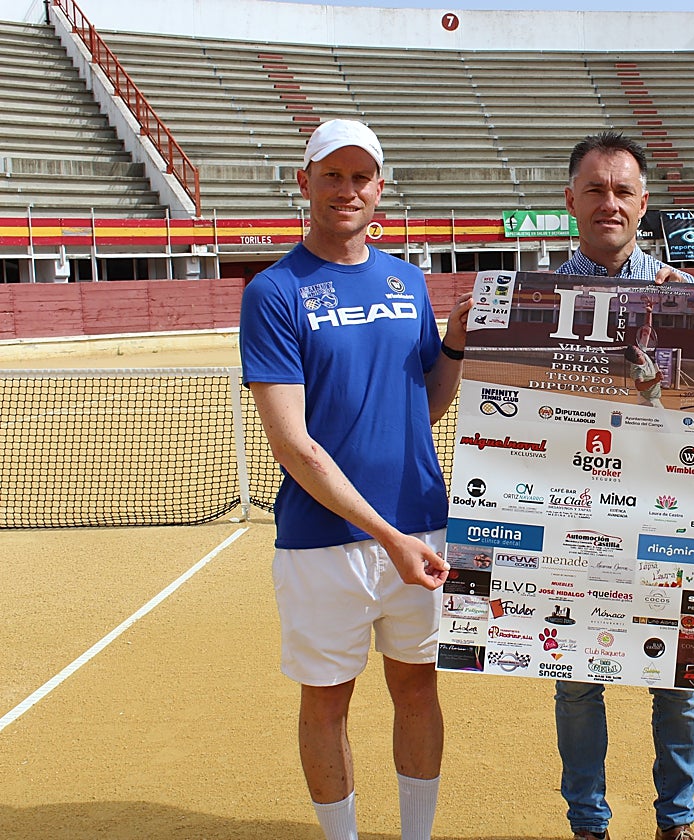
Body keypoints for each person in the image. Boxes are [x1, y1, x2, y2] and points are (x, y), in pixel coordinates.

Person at [239, 118, 471, 840]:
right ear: (304, 183)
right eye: (331, 175)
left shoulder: (406, 280)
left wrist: (455, 344)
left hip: (420, 525)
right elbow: (294, 443)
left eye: (360, 176)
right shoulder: (274, 293)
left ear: (381, 187)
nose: (347, 190)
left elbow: (426, 404)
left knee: (416, 687)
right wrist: (388, 536)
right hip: (323, 541)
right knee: (327, 702)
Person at [554, 131, 694, 840]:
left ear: (643, 203)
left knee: (676, 680)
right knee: (578, 680)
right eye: (595, 189)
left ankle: (676, 822)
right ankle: (589, 823)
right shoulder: (534, 301)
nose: (608, 202)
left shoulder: (693, 301)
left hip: (666, 517)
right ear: (571, 199)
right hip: (570, 518)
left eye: (622, 190)